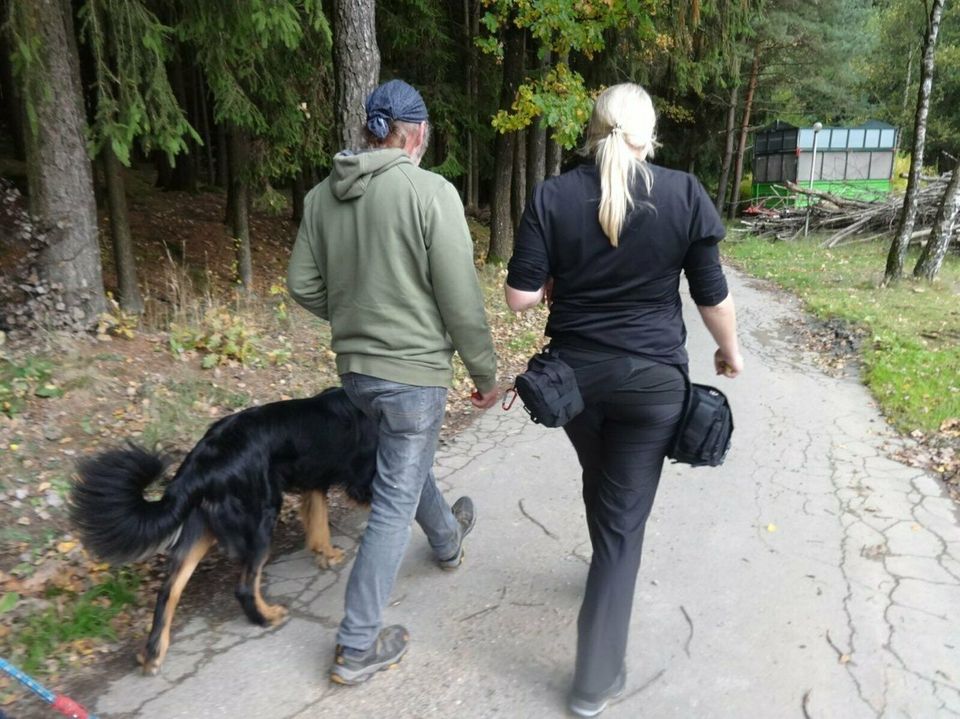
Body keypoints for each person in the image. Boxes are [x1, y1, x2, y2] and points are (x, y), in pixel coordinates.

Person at [505, 83, 743, 717]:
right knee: (623, 522)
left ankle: (601, 577)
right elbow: (711, 295)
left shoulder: (553, 195)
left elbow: (520, 298)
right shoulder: (684, 192)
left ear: (594, 129)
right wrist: (731, 352)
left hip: (575, 383)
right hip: (652, 384)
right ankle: (594, 681)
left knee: (601, 477)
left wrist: (557, 275)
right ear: (648, 134)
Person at [287, 79, 499, 686]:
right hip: (412, 375)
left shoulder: (320, 198)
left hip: (356, 374)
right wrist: (484, 372)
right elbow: (459, 297)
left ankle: (448, 539)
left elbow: (303, 284)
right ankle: (356, 644)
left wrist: (353, 316)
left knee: (405, 464)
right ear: (417, 134)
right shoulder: (430, 192)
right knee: (393, 496)